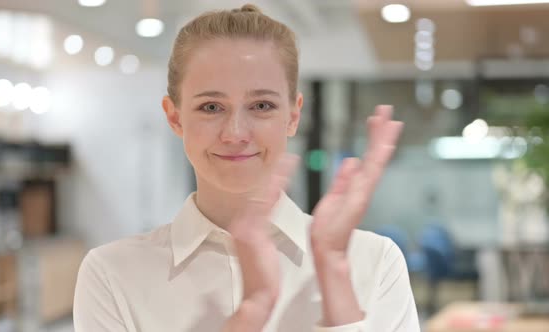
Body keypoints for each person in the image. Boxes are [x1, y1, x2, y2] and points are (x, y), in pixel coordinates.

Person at [73, 4, 420, 332]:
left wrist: (333, 274)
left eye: (261, 105)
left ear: (293, 115)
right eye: (211, 106)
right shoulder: (112, 274)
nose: (236, 133)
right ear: (175, 117)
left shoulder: (375, 262)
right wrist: (252, 313)